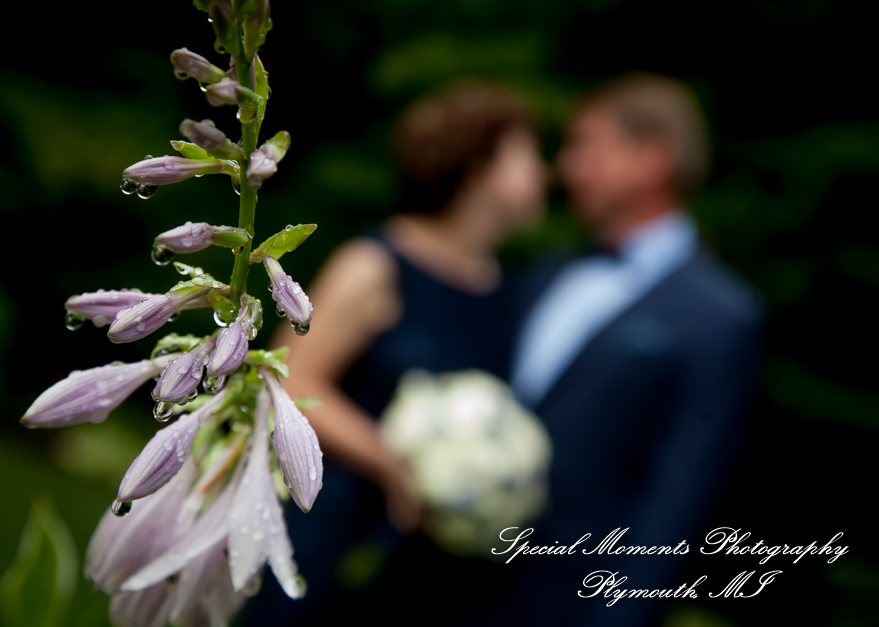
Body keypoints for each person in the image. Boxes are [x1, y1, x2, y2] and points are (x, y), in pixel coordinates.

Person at [245, 81, 546, 624]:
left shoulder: (500, 287)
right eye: (526, 154)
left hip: (420, 564)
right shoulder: (376, 264)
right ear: (477, 167)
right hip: (329, 522)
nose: (544, 173)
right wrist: (394, 464)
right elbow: (290, 379)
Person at [504, 73, 765, 626]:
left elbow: (678, 496)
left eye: (587, 147)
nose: (567, 168)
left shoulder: (722, 317)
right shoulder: (543, 275)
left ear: (654, 158)